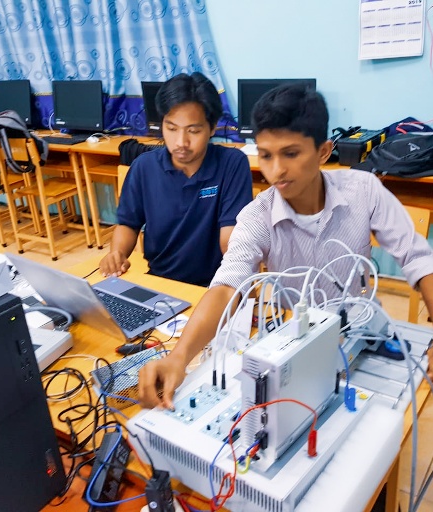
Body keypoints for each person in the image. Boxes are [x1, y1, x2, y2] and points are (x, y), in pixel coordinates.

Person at [138, 83, 433, 409]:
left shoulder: (363, 190)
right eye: (266, 155)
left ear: (323, 152)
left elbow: (419, 259)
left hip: (359, 335)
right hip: (292, 345)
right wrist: (178, 357)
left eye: (290, 154)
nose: (276, 170)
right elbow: (227, 286)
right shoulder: (257, 216)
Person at [99, 72, 253, 287]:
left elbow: (230, 240)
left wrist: (235, 284)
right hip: (160, 281)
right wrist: (117, 254)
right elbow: (128, 224)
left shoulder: (231, 164)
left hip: (215, 284)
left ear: (212, 128)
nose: (181, 142)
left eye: (193, 131)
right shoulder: (144, 167)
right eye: (171, 128)